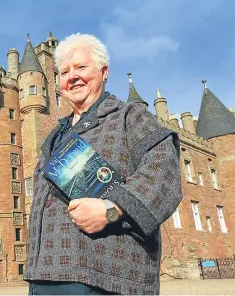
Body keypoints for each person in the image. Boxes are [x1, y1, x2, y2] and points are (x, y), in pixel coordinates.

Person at [23, 33, 182, 295]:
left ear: (103, 71)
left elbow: (163, 176)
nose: (72, 76)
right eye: (63, 72)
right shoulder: (54, 136)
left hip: (106, 280)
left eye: (81, 67)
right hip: (43, 277)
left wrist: (111, 210)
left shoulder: (130, 116)